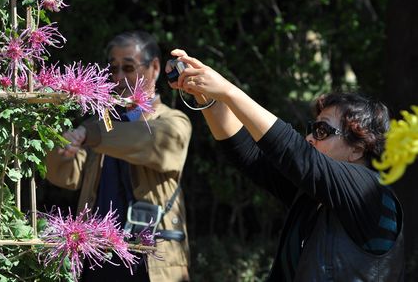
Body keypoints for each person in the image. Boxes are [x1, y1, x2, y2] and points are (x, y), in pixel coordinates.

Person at [167, 49, 404, 281]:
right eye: (312, 129)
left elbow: (295, 153)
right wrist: (203, 92)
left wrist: (228, 91)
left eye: (322, 130)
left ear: (357, 149)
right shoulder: (314, 197)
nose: (310, 137)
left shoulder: (369, 189)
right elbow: (248, 154)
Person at [46, 32, 192, 282]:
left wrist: (90, 133)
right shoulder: (103, 124)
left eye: (128, 67)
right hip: (97, 260)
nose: (119, 78)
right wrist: (60, 144)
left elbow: (148, 140)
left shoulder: (173, 121)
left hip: (150, 264)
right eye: (114, 69)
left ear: (155, 67)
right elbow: (66, 176)